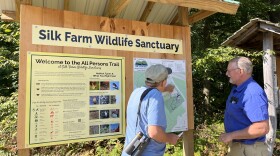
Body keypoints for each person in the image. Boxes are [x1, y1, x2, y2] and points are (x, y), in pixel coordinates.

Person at [122, 64, 179, 156]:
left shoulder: (137, 92)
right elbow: (154, 132)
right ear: (164, 82)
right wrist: (170, 138)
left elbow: (148, 95)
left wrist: (164, 90)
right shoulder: (156, 96)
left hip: (130, 151)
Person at [219, 56, 269, 156]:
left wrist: (232, 135)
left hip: (250, 150)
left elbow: (262, 128)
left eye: (229, 71)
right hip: (240, 148)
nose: (227, 74)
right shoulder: (238, 88)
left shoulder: (252, 93)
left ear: (241, 71)